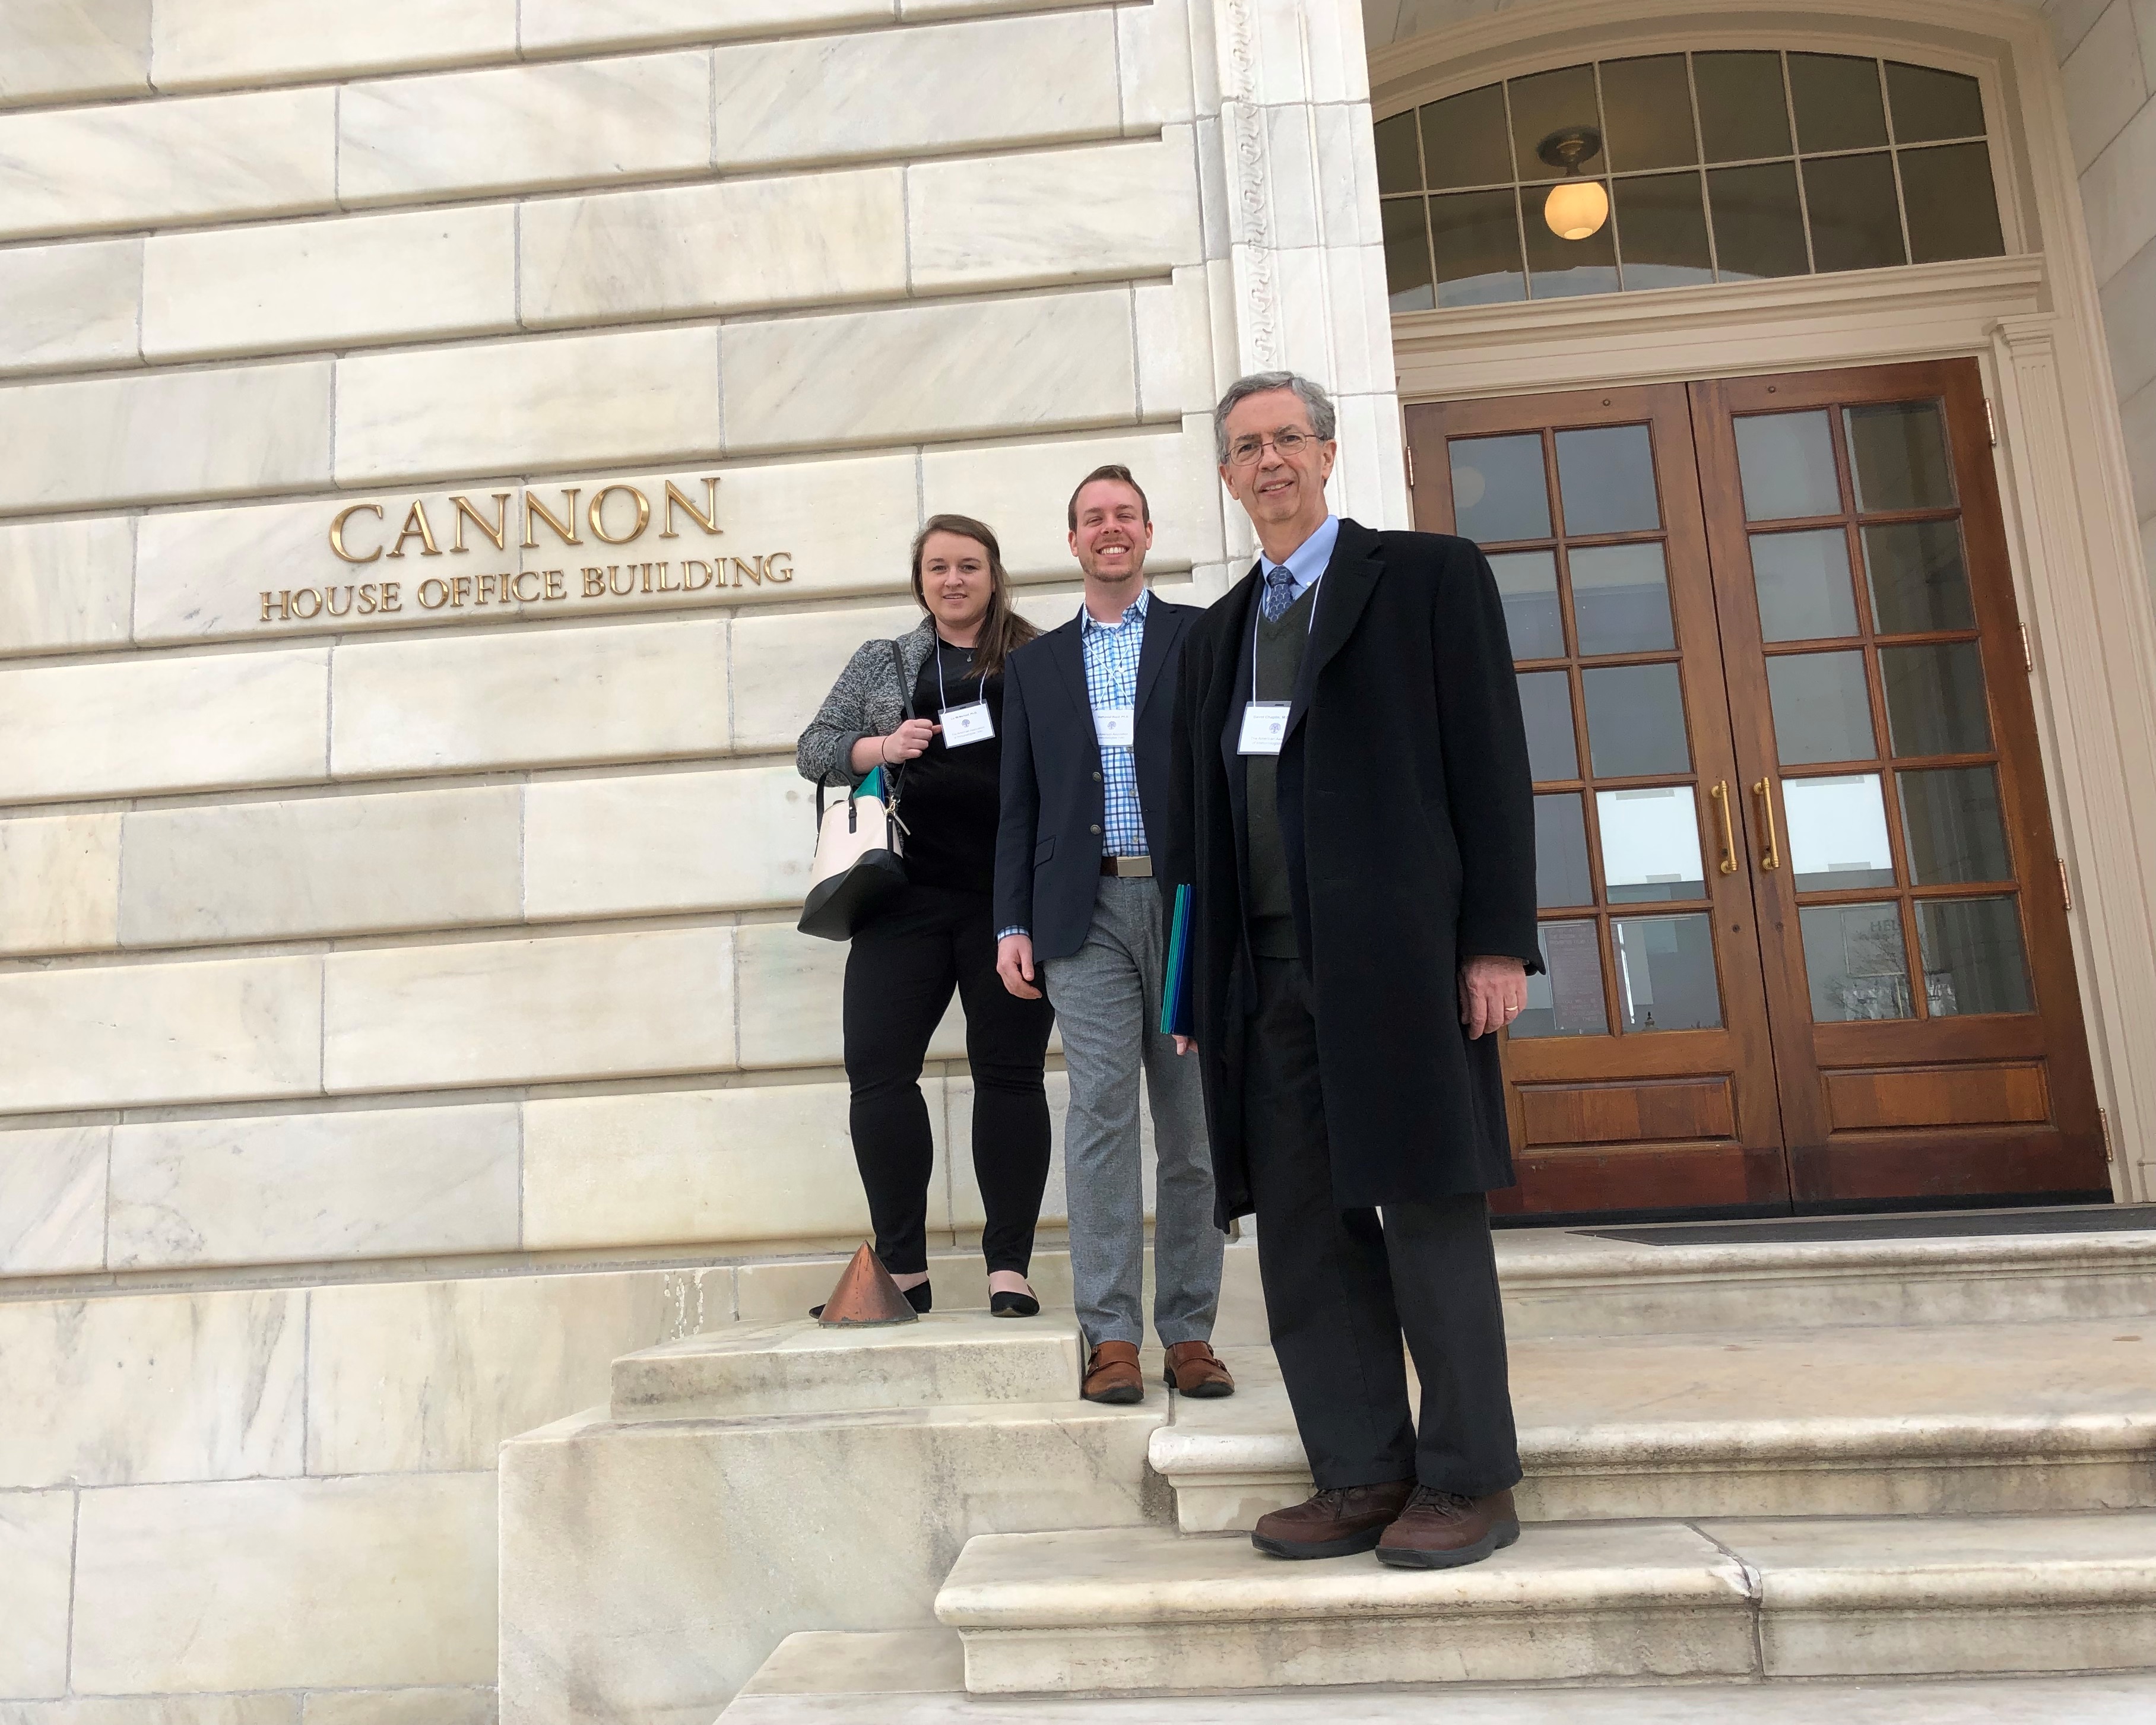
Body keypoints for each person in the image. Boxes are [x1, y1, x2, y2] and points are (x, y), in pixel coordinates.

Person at [1159, 372, 1538, 1569]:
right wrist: (1189, 989)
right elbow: (1193, 829)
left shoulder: (1428, 578)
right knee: (1304, 1235)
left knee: (1428, 1213)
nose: (1269, 460)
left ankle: (1469, 1479)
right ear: (1227, 477)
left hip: (1399, 964)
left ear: (1327, 453)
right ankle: (1362, 1472)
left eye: (1288, 438)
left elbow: (1491, 761)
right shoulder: (1217, 634)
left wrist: (1495, 940)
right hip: (1262, 975)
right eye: (1245, 447)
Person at [993, 465, 1232, 1406]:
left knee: (1192, 1124)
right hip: (1081, 911)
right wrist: (1012, 920)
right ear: (1073, 540)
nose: (1110, 528)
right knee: (1099, 1115)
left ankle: (1191, 1329)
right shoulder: (1036, 665)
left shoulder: (1202, 636)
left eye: (1125, 514)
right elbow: (1019, 805)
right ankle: (1112, 1335)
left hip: (1185, 906)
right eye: (1093, 517)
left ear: (1146, 531)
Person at [797, 515, 1054, 1318]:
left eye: (968, 565)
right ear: (921, 580)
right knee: (877, 1071)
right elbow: (814, 748)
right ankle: (903, 1266)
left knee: (1010, 1074)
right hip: (901, 897)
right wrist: (880, 747)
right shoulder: (884, 659)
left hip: (1007, 904)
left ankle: (1008, 1268)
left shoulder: (1038, 656)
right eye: (938, 567)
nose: (953, 580)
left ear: (993, 573)